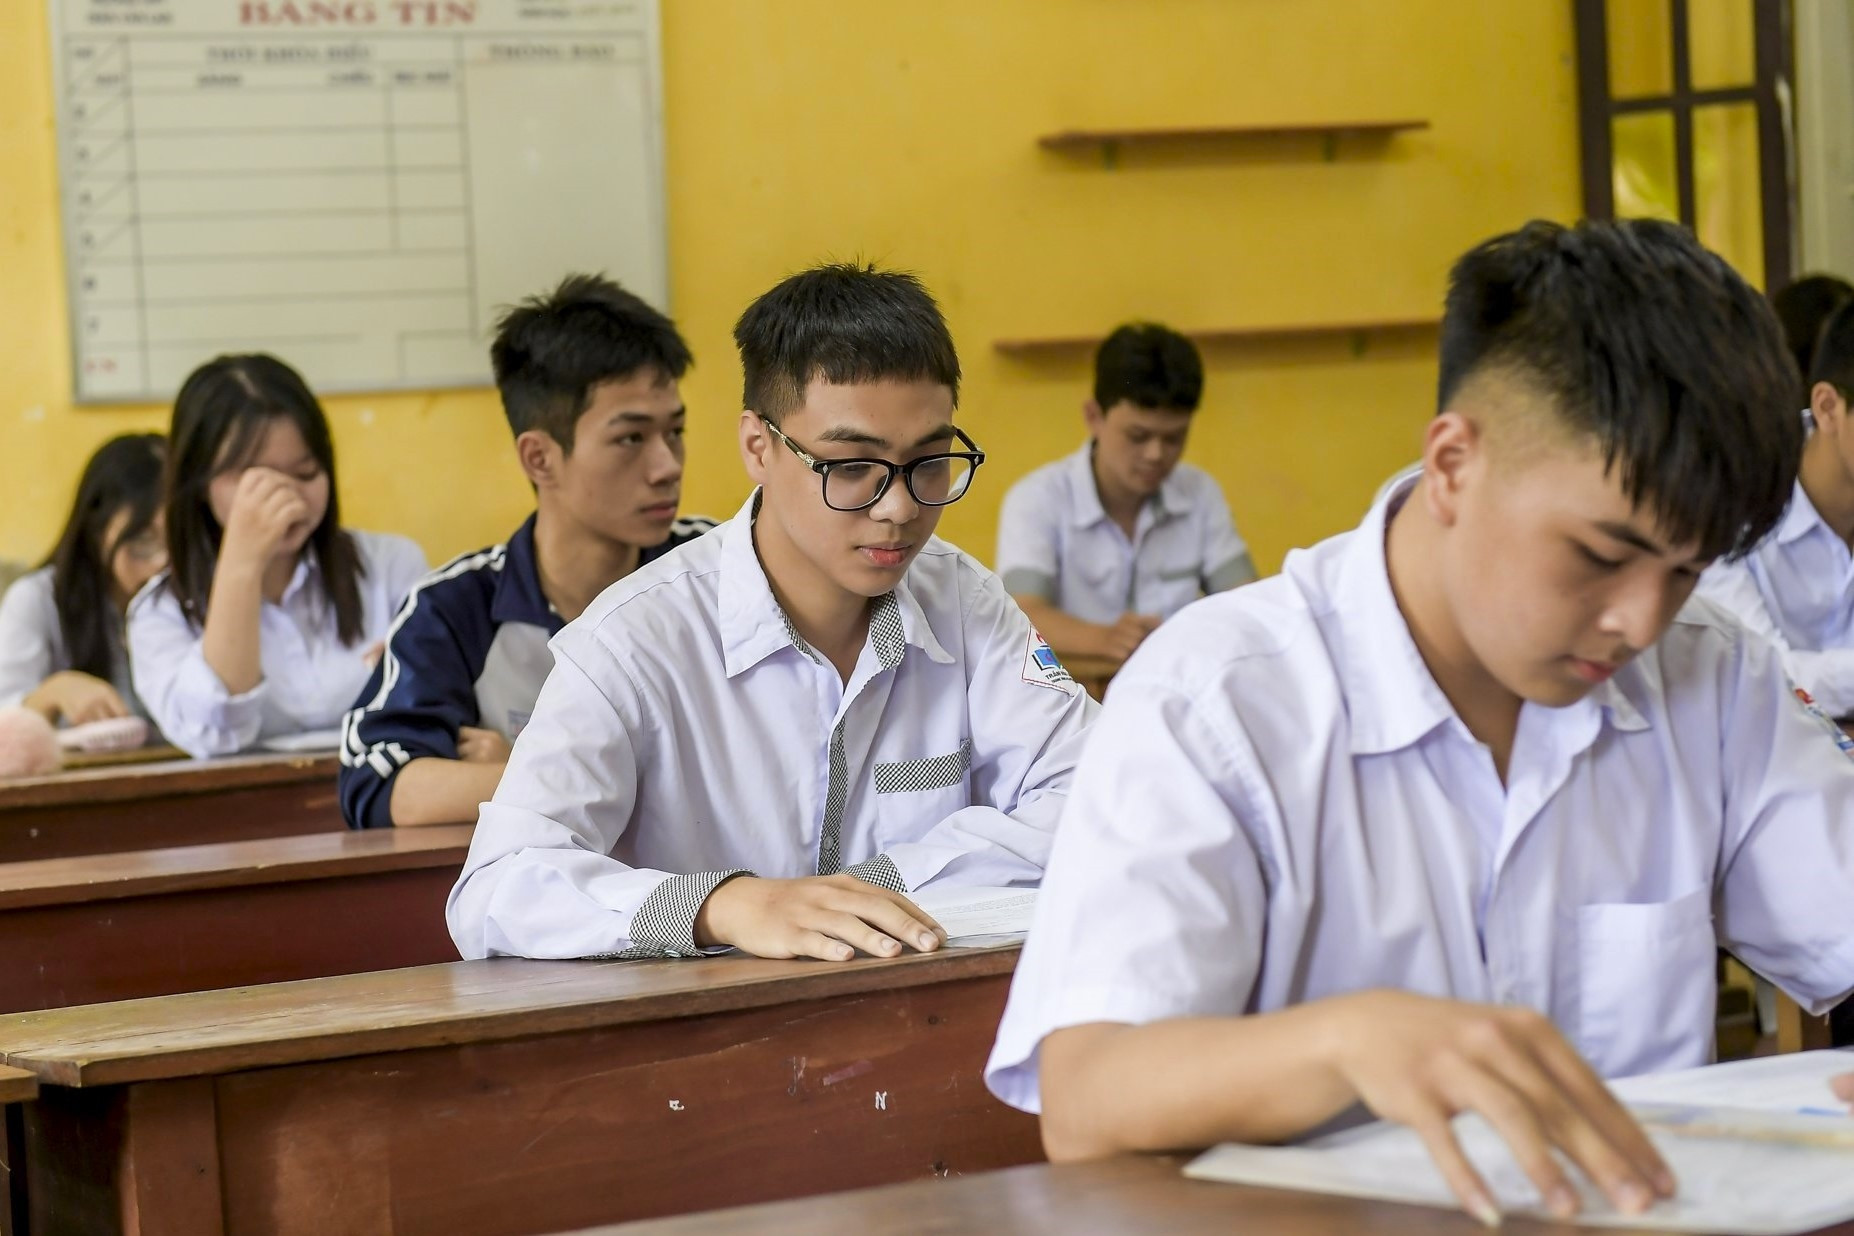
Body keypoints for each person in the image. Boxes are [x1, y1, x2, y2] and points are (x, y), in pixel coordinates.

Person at [986, 219, 1854, 1225]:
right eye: (1601, 554)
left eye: (1686, 571)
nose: (1639, 621)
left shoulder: (1709, 675)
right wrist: (1351, 1042)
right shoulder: (1219, 698)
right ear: (1452, 463)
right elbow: (1089, 1095)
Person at [447, 262, 1096, 963]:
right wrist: (722, 904)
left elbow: (1099, 795)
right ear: (758, 446)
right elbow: (495, 889)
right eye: (852, 466)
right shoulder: (632, 642)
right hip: (706, 1048)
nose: (901, 508)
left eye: (930, 462)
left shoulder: (965, 602)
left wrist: (870, 889)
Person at [339, 274, 713, 828]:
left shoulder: (717, 568)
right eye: (631, 438)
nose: (667, 466)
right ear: (539, 458)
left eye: (675, 432)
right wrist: (565, 773)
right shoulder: (454, 606)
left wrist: (524, 767)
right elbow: (383, 787)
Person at [129, 354, 428, 756]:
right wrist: (242, 564)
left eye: (306, 474)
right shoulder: (159, 611)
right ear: (199, 482)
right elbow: (215, 733)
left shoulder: (390, 565)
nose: (289, 498)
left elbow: (436, 701)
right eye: (258, 482)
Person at [996, 323, 1253, 662]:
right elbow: (1020, 613)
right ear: (1094, 417)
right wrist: (1104, 639)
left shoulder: (1200, 494)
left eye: (1174, 438)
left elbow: (1247, 602)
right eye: (1138, 435)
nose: (1156, 454)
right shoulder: (1036, 499)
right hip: (1075, 697)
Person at [0, 433, 166, 726]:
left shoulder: (201, 596)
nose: (163, 563)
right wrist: (50, 695)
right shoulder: (37, 600)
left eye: (180, 542)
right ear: (96, 529)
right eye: (142, 541)